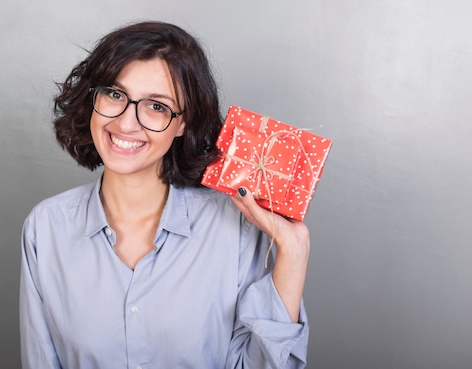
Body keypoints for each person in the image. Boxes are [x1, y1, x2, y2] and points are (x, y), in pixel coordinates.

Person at [19, 21, 310, 369]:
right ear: (92, 98)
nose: (127, 123)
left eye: (156, 106)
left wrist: (293, 254)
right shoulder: (46, 227)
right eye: (114, 94)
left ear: (183, 122)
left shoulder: (236, 230)